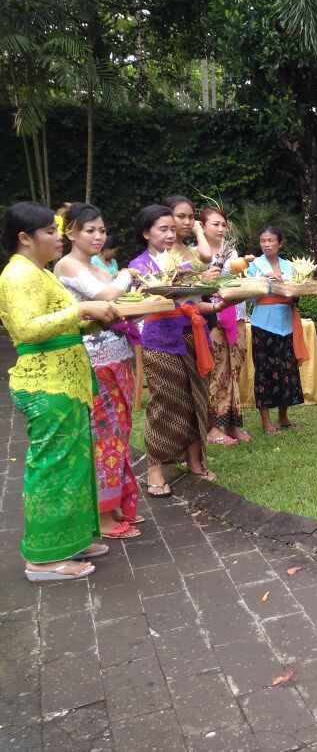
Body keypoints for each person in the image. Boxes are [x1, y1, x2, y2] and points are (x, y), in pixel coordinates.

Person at [0, 202, 121, 581]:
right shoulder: (17, 275)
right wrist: (84, 310)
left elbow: (60, 324)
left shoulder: (40, 272)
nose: (57, 237)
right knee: (52, 466)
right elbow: (27, 329)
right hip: (44, 383)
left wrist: (92, 320)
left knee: (74, 464)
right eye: (50, 232)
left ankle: (69, 540)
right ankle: (43, 559)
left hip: (66, 381)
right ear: (25, 238)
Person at [54, 203, 142, 539]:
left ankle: (117, 504)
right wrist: (127, 276)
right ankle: (103, 517)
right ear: (71, 232)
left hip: (117, 358)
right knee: (104, 435)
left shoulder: (98, 266)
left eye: (101, 230)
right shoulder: (68, 265)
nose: (97, 236)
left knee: (119, 433)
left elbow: (118, 306)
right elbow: (107, 297)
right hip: (93, 363)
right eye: (89, 230)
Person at [128, 205, 215, 497]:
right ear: (146, 233)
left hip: (193, 334)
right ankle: (155, 468)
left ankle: (194, 460)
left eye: (171, 228)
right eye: (161, 229)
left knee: (195, 399)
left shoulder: (185, 262)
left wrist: (219, 302)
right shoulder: (138, 266)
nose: (169, 234)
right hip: (159, 340)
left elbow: (197, 300)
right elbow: (143, 304)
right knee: (165, 402)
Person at [197, 207, 250, 446]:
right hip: (213, 317)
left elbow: (238, 281)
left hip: (236, 314)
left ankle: (232, 422)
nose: (220, 229)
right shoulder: (195, 253)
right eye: (215, 224)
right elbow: (195, 290)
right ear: (202, 225)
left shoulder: (232, 251)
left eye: (223, 225)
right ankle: (212, 426)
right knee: (217, 369)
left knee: (234, 368)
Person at [247, 226, 305, 435]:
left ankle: (283, 416)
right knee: (264, 370)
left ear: (279, 244)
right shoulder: (255, 265)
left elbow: (297, 294)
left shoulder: (289, 266)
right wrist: (265, 283)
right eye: (263, 241)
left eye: (271, 240)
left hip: (286, 322)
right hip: (264, 322)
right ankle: (265, 420)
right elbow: (250, 295)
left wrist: (290, 287)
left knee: (287, 370)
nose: (266, 244)